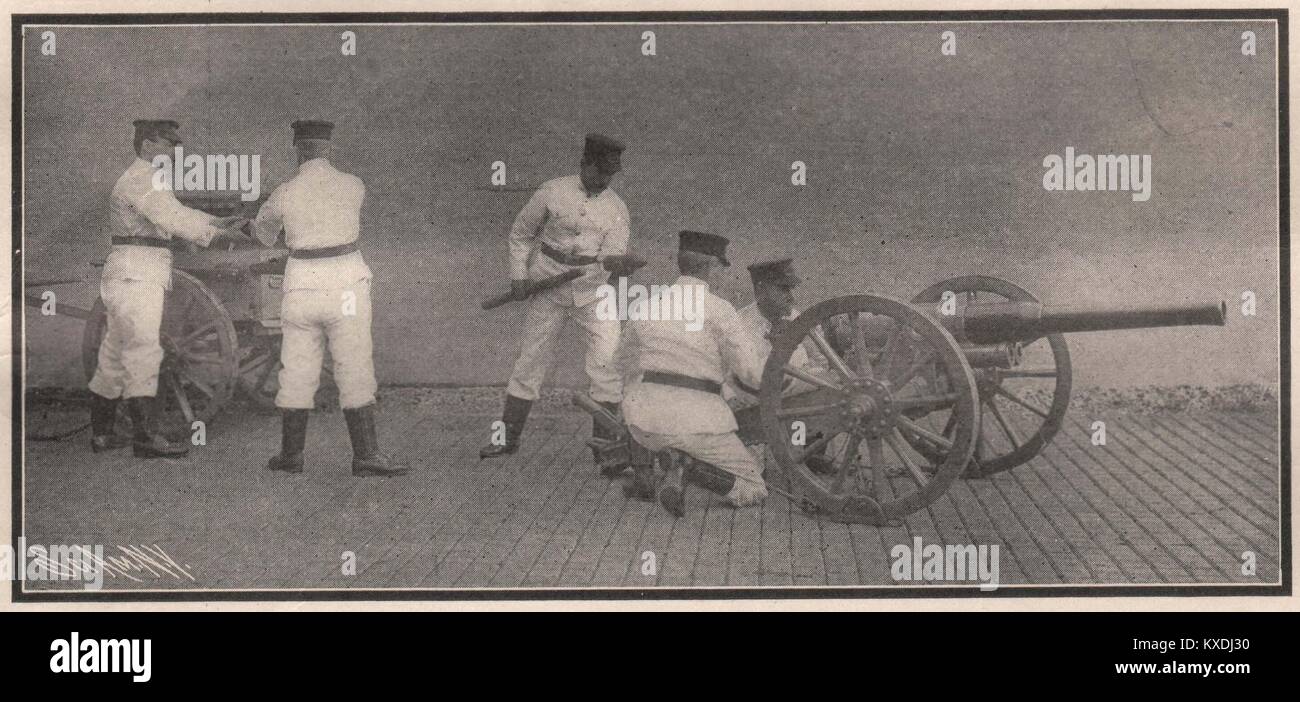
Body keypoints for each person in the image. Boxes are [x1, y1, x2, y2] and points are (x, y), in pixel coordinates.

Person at [252, 120, 407, 477]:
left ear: (297, 148)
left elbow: (263, 235)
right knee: (353, 365)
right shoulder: (354, 185)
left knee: (297, 369)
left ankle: (291, 456)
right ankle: (366, 455)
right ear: (328, 147)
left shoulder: (284, 192)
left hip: (303, 285)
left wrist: (264, 227)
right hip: (346, 285)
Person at [88, 119, 246, 458]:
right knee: (143, 351)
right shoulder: (141, 178)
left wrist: (215, 222)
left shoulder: (147, 178)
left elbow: (175, 211)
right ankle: (145, 439)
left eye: (175, 144)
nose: (173, 150)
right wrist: (217, 236)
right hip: (137, 273)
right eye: (166, 144)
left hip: (131, 271)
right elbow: (172, 220)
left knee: (115, 351)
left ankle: (102, 434)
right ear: (146, 145)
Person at [480, 133, 633, 468]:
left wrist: (613, 264)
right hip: (547, 286)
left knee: (607, 363)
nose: (604, 181)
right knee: (530, 361)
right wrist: (519, 275)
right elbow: (521, 234)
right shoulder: (552, 191)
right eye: (599, 173)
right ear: (584, 164)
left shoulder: (617, 209)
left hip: (594, 291)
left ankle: (606, 451)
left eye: (610, 176)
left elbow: (612, 255)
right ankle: (506, 439)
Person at [616, 231, 768, 516]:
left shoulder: (646, 305)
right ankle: (689, 467)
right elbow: (752, 376)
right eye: (723, 268)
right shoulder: (721, 310)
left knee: (675, 435)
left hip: (644, 426)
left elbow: (621, 362)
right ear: (710, 267)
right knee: (754, 487)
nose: (724, 275)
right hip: (699, 424)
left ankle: (677, 460)